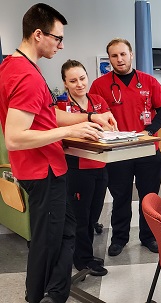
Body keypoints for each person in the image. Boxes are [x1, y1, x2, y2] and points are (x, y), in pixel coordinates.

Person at [0, 4, 116, 303]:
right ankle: (40, 296)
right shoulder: (25, 75)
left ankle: (55, 292)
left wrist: (91, 117)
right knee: (49, 241)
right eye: (57, 37)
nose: (61, 44)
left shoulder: (18, 66)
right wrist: (69, 132)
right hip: (42, 172)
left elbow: (47, 116)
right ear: (38, 34)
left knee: (64, 233)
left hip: (49, 168)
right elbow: (14, 137)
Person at [89, 38, 161, 255]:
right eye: (114, 56)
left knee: (149, 197)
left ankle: (148, 237)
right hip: (118, 153)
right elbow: (94, 116)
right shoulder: (99, 85)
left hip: (147, 150)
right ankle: (119, 238)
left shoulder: (148, 81)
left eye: (123, 54)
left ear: (131, 55)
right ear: (110, 59)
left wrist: (150, 131)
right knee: (120, 197)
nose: (120, 59)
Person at [60, 59, 111, 276]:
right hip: (77, 169)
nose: (79, 84)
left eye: (82, 78)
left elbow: (108, 127)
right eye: (73, 80)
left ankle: (85, 253)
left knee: (93, 215)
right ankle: (83, 260)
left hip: (100, 165)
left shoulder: (98, 101)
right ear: (65, 84)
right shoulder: (61, 107)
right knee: (81, 217)